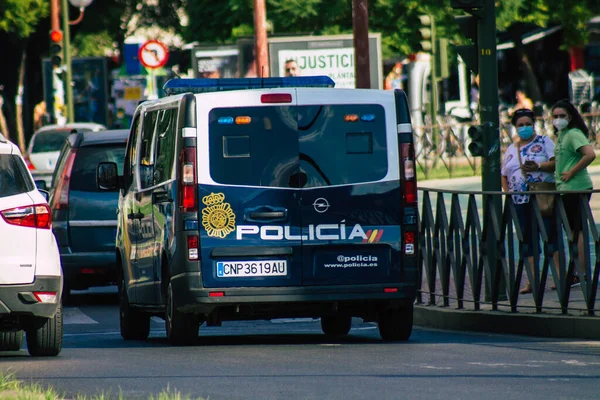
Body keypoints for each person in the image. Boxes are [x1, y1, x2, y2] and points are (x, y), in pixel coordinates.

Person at [501, 108, 558, 294]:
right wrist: (508, 193)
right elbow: (504, 174)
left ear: (533, 124)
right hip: (519, 201)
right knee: (526, 241)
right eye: (520, 125)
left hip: (541, 197)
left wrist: (538, 166)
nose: (524, 128)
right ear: (514, 127)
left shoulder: (544, 142)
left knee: (549, 235)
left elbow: (555, 162)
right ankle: (532, 280)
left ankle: (559, 277)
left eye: (527, 124)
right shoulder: (512, 148)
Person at [551, 99, 596, 287]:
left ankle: (583, 272)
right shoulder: (562, 134)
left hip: (576, 187)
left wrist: (572, 171)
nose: (558, 119)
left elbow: (590, 154)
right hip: (566, 188)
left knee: (577, 232)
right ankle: (578, 271)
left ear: (570, 116)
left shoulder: (573, 134)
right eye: (555, 116)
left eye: (562, 116)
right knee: (572, 231)